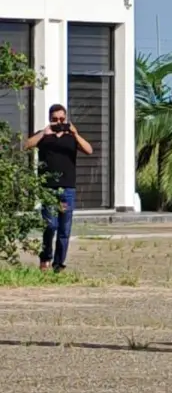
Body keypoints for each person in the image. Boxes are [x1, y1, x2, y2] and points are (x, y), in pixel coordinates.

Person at [24, 104, 93, 273]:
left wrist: (75, 133)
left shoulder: (71, 137)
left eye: (62, 119)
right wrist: (44, 133)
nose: (59, 122)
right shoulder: (44, 135)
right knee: (50, 225)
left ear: (66, 118)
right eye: (55, 119)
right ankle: (46, 257)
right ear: (50, 119)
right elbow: (26, 145)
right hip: (48, 189)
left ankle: (58, 264)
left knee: (64, 229)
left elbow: (89, 150)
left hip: (67, 189)